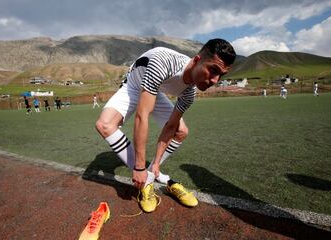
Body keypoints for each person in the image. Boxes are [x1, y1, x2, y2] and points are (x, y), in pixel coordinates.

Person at [95, 38, 236, 213]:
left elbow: (170, 127)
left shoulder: (189, 94)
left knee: (181, 131)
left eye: (221, 75)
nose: (215, 80)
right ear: (197, 60)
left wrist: (155, 164)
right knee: (105, 124)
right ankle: (146, 182)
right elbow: (142, 115)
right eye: (213, 70)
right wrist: (138, 167)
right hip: (134, 84)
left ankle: (153, 172)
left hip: (156, 89)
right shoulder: (164, 61)